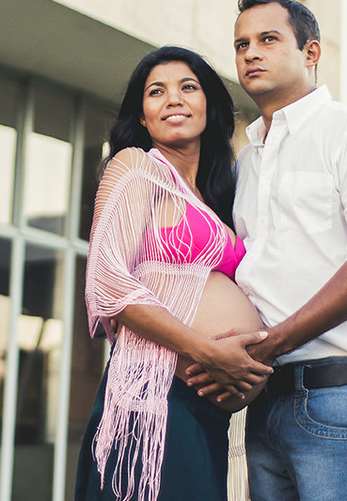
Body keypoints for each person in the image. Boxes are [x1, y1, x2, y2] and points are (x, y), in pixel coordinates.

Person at [187, 0, 347, 500]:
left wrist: (275, 342)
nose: (251, 53)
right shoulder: (248, 163)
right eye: (241, 44)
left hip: (340, 394)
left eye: (268, 39)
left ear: (311, 52)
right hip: (261, 402)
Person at [76, 45, 271, 501]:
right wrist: (206, 350)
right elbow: (107, 278)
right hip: (153, 399)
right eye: (156, 92)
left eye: (188, 87)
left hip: (207, 415)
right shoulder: (137, 166)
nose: (173, 99)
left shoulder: (215, 196)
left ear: (209, 105)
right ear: (142, 117)